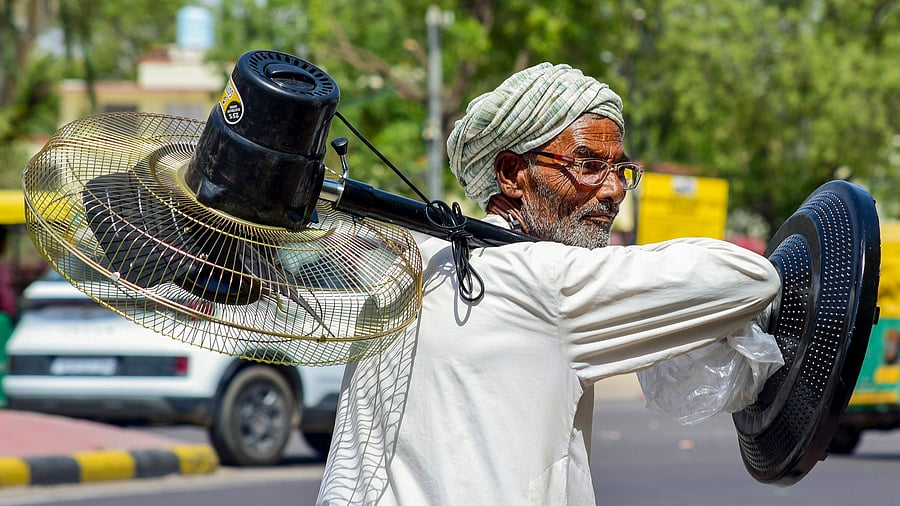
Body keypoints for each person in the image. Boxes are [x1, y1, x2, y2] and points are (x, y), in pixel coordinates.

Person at [317, 63, 780, 505]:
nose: (615, 189)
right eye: (588, 165)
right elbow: (750, 278)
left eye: (620, 169)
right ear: (512, 175)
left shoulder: (407, 261)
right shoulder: (549, 281)